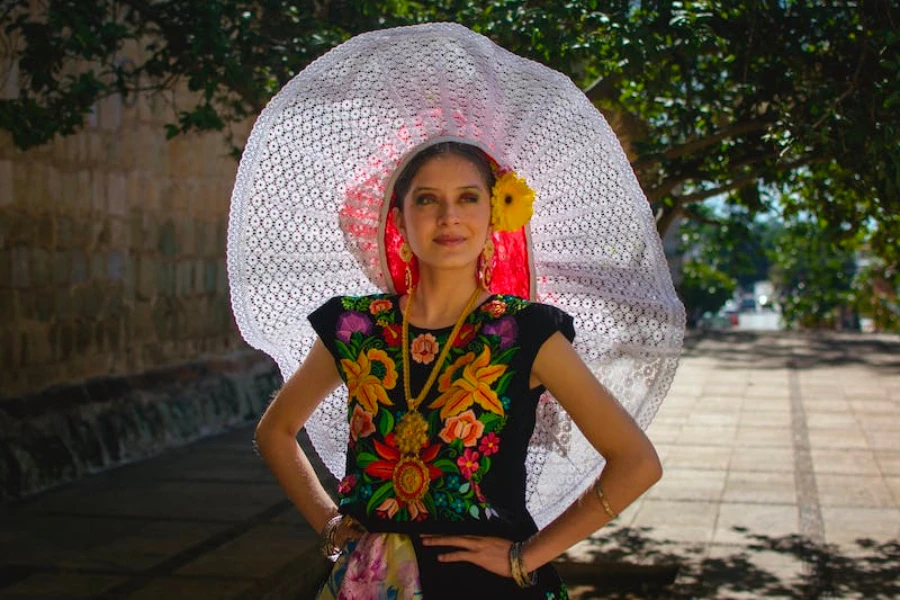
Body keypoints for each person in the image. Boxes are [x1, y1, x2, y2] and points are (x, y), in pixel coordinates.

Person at [228, 23, 685, 599]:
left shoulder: (526, 333)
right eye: (427, 199)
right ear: (398, 219)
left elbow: (636, 463)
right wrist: (328, 525)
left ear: (494, 215)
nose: (449, 217)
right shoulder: (355, 327)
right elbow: (276, 431)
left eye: (468, 198)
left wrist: (528, 557)